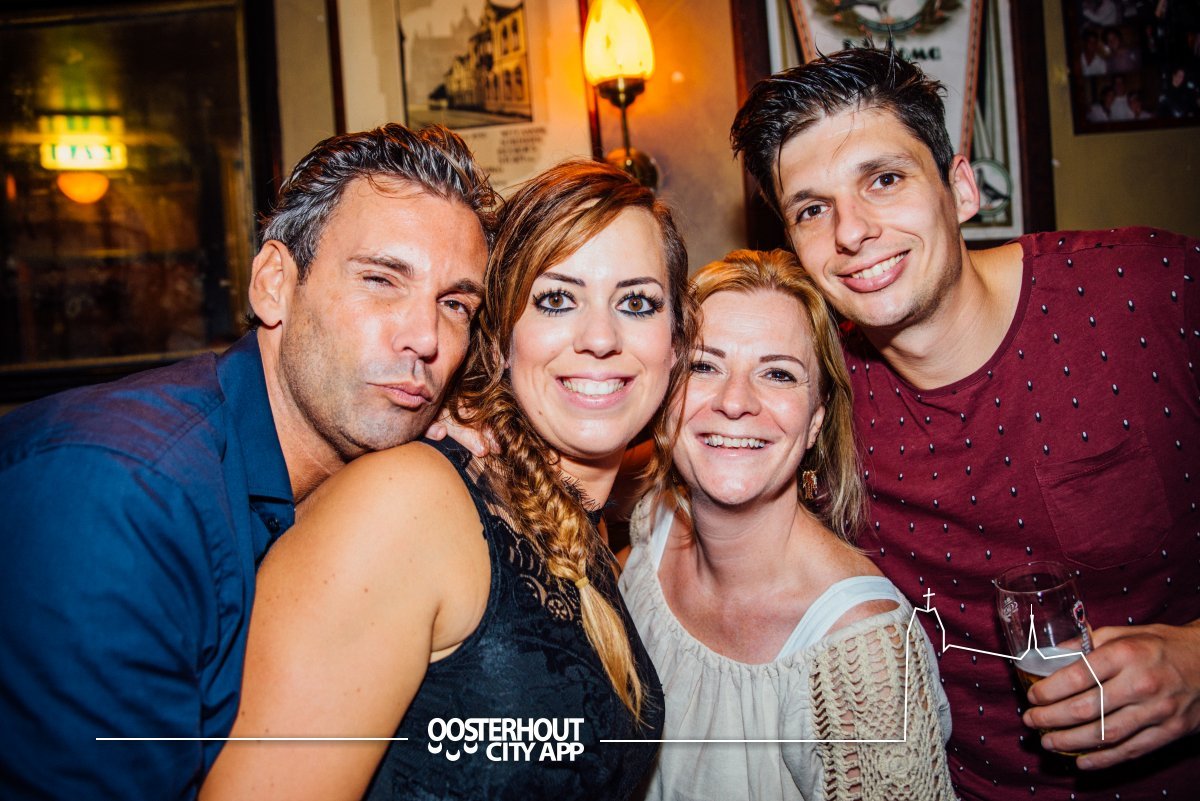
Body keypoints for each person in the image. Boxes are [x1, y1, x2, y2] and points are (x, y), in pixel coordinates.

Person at [731, 47, 1199, 800]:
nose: (851, 231)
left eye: (884, 179)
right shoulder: (813, 395)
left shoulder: (1147, 293)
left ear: (961, 187)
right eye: (812, 209)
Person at [0, 123, 493, 800]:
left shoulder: (362, 473)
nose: (425, 338)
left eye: (455, 304)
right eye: (381, 280)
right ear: (273, 285)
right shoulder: (120, 495)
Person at [200, 160, 696, 801]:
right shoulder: (408, 503)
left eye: (637, 303)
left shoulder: (579, 522)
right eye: (556, 299)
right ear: (500, 340)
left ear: (675, 342)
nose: (600, 338)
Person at [618, 249, 955, 801]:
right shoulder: (653, 525)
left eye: (778, 374)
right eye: (704, 366)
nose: (734, 402)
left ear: (815, 421)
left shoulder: (861, 653)